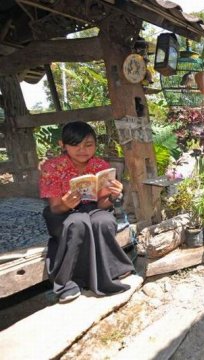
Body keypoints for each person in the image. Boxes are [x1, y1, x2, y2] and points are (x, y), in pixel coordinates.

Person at [40, 121, 134, 303]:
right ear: (63, 145)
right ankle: (69, 282)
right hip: (62, 213)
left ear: (95, 145)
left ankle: (113, 270)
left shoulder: (100, 165)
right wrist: (66, 203)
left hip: (92, 208)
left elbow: (102, 204)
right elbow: (54, 207)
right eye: (75, 144)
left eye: (88, 145)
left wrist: (114, 196)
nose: (82, 150)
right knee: (78, 223)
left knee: (104, 221)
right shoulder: (51, 167)